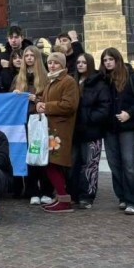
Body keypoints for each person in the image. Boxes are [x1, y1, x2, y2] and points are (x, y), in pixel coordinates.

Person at [100, 47, 134, 215]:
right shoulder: (102, 80)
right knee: (114, 164)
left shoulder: (132, 79)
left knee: (129, 164)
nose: (107, 62)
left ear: (117, 60)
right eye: (105, 60)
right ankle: (122, 196)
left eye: (110, 59)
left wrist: (129, 113)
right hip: (109, 128)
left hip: (127, 128)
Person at [35, 52, 80, 213]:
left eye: (56, 63)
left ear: (62, 65)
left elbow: (69, 105)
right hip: (51, 129)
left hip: (60, 130)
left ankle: (63, 198)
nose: (52, 65)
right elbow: (45, 100)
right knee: (52, 164)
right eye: (50, 63)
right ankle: (61, 197)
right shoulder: (51, 81)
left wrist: (46, 106)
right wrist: (39, 102)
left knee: (54, 164)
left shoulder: (67, 81)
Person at [12, 45, 54, 205]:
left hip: (40, 121)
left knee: (43, 155)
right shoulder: (18, 78)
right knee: (29, 155)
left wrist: (35, 99)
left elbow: (49, 99)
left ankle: (46, 190)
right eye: (26, 56)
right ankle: (32, 191)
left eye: (32, 56)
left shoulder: (46, 78)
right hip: (24, 122)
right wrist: (15, 95)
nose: (29, 58)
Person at [71, 53, 111, 208]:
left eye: (84, 62)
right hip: (74, 131)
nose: (80, 65)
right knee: (73, 163)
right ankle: (73, 194)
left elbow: (104, 108)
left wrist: (87, 118)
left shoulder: (99, 84)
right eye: (78, 62)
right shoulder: (72, 81)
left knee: (90, 165)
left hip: (91, 131)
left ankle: (87, 196)